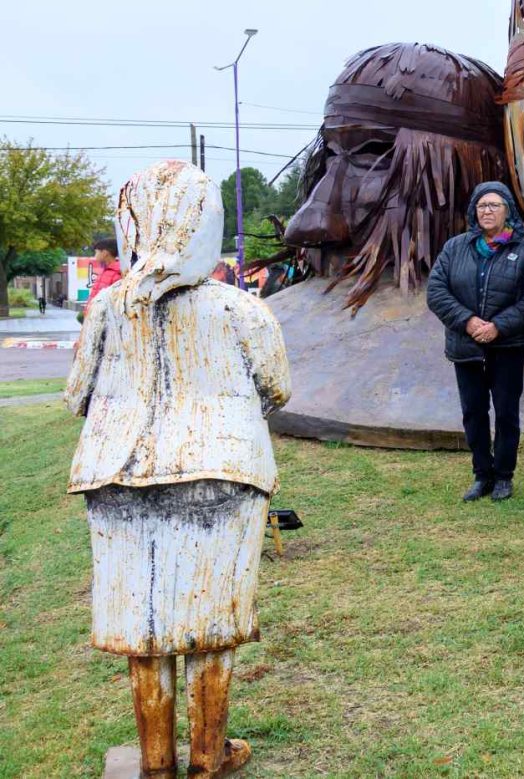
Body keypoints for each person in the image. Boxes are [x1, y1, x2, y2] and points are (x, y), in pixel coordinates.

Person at [65, 161, 290, 778]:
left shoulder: (108, 308)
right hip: (222, 471)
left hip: (116, 475)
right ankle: (208, 758)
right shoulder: (240, 308)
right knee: (211, 626)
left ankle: (157, 762)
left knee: (141, 629)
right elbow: (277, 387)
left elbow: (75, 395)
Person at [427, 182, 524, 502]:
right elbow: (436, 292)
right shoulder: (455, 248)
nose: (487, 211)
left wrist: (498, 327)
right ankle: (482, 475)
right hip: (466, 345)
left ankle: (504, 476)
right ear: (473, 212)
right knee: (473, 412)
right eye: (481, 206)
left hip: (507, 345)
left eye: (494, 205)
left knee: (506, 412)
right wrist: (469, 321)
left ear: (508, 211)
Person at [86, 238, 123, 319]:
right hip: (95, 317)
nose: (95, 255)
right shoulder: (105, 271)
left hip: (104, 319)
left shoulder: (117, 273)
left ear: (105, 253)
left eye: (96, 252)